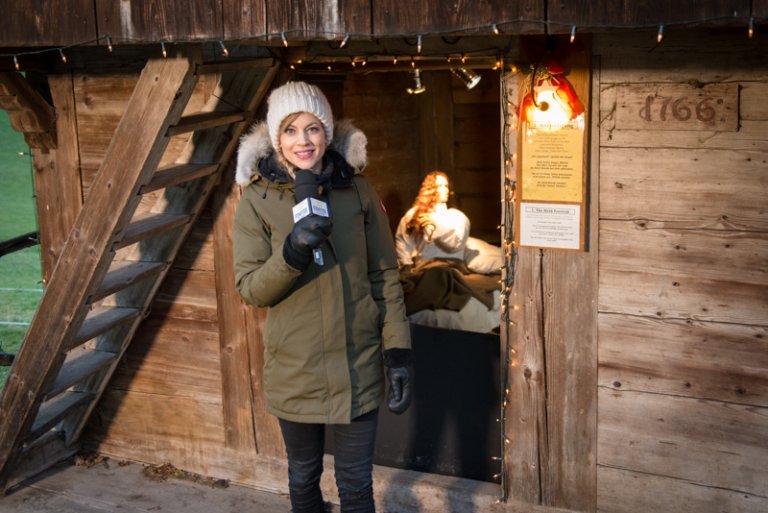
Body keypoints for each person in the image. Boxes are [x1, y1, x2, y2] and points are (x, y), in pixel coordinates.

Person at [232, 81, 413, 513]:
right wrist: (291, 252)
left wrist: (399, 352)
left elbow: (384, 275)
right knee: (303, 476)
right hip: (296, 366)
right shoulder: (256, 200)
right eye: (291, 130)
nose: (303, 141)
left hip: (358, 362)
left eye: (312, 128)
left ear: (327, 133)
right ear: (276, 137)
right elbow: (251, 289)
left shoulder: (359, 192)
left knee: (355, 486)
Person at [394, 171, 470, 269]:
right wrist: (406, 265)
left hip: (452, 267)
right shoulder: (415, 214)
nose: (445, 190)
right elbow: (403, 241)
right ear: (429, 189)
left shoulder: (456, 216)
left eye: (446, 186)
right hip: (426, 267)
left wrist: (436, 224)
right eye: (439, 186)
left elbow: (456, 244)